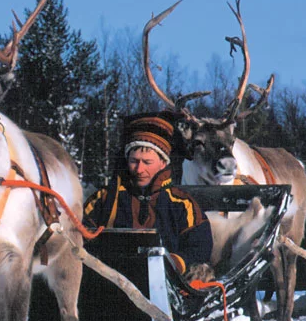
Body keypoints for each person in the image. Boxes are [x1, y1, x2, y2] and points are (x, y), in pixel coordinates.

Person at [83, 114, 214, 280]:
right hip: (109, 284)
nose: (139, 169)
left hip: (165, 284)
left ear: (163, 163)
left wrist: (177, 263)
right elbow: (81, 235)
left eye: (147, 162)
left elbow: (200, 246)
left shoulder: (182, 204)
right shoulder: (104, 200)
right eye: (134, 161)